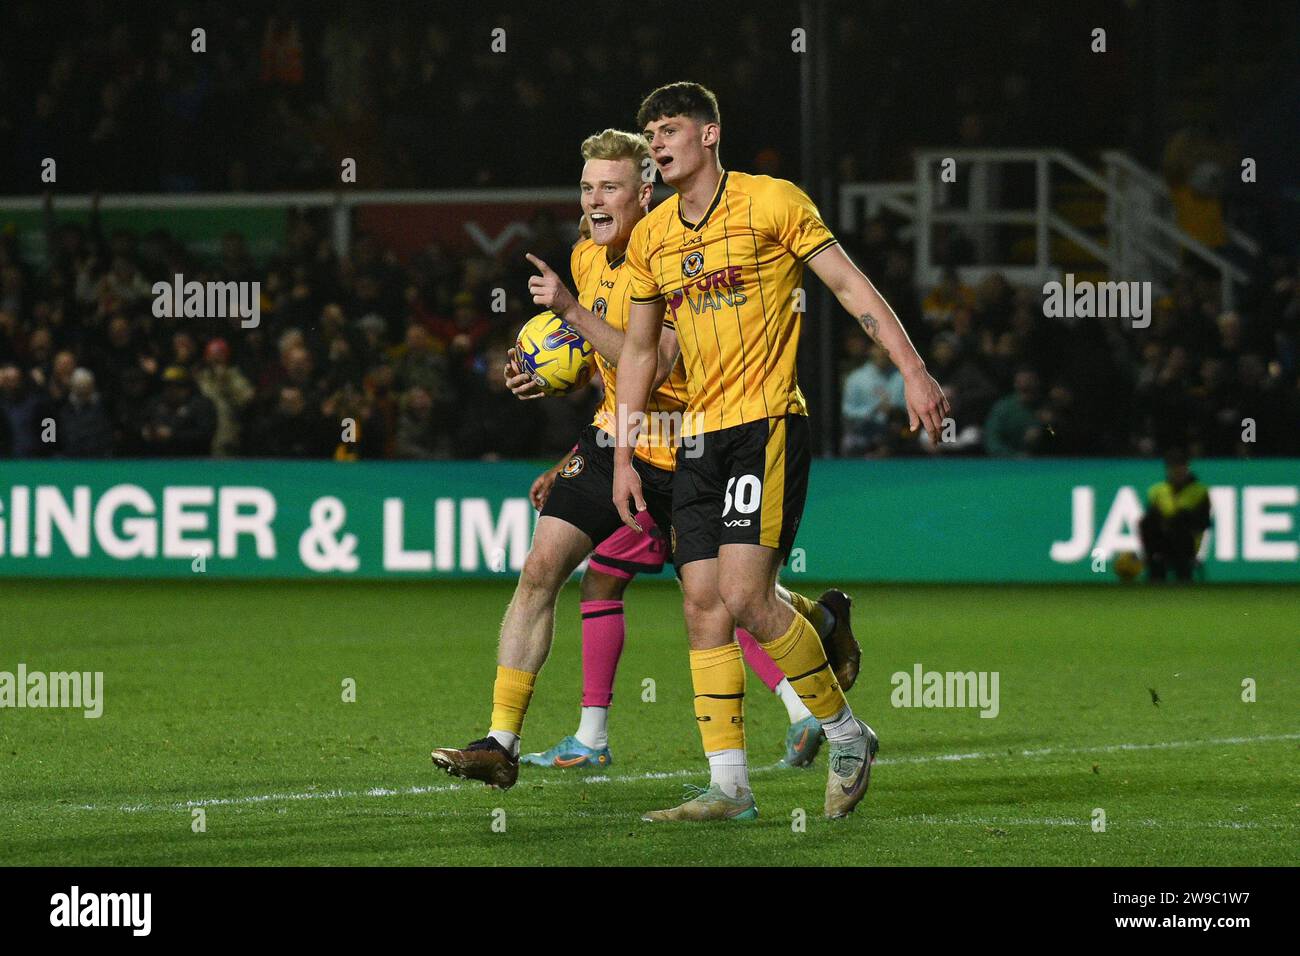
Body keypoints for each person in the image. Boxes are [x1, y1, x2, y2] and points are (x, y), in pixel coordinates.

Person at [430, 128, 856, 798]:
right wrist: (564, 407)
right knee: (543, 569)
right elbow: (611, 372)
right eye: (586, 187)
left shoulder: (673, 246)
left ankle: (816, 641)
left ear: (643, 192)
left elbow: (655, 361)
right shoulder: (584, 256)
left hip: (695, 446)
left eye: (609, 187)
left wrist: (568, 313)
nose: (593, 200)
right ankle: (501, 743)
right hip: (618, 443)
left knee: (726, 599)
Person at [611, 82, 947, 821]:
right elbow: (639, 351)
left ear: (709, 135)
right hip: (695, 436)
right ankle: (729, 786)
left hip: (765, 424)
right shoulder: (652, 236)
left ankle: (847, 735)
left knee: (745, 598)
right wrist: (623, 455)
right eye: (651, 135)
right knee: (702, 607)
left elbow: (850, 286)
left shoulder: (772, 202)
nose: (657, 145)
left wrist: (912, 368)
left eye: (669, 130)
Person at [1139, 450, 1211, 582]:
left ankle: (1181, 573)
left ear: (1187, 468)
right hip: (1162, 541)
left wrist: (1176, 521)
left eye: (1181, 466)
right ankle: (1154, 561)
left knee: (1181, 523)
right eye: (1173, 466)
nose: (1177, 470)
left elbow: (1203, 521)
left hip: (1187, 543)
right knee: (1146, 522)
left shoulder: (1199, 491)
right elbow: (1149, 520)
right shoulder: (1157, 490)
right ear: (1168, 469)